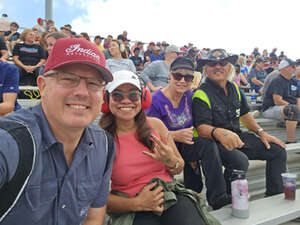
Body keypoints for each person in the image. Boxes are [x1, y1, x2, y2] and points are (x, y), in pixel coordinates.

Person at [0, 38, 115, 224]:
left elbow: (93, 218)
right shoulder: (9, 142)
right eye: (68, 79)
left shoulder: (104, 144)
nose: (82, 92)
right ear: (42, 86)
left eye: (94, 83)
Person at [99, 70, 219, 225]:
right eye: (117, 95)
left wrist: (169, 160)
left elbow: (178, 167)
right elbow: (95, 197)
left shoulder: (156, 125)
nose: (126, 101)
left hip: (170, 194)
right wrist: (138, 203)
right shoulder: (101, 139)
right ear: (107, 99)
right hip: (131, 205)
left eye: (133, 95)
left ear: (143, 98)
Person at [193, 49, 287, 198]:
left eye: (222, 63)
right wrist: (219, 132)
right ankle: (229, 202)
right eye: (212, 64)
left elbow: (244, 115)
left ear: (229, 67)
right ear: (206, 69)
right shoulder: (201, 93)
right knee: (239, 161)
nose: (218, 67)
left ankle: (274, 197)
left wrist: (261, 132)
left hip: (237, 137)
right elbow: (201, 128)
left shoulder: (235, 89)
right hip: (214, 142)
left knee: (278, 151)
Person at [146, 56, 232, 210]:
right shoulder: (155, 101)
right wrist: (173, 135)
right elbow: (147, 133)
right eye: (178, 76)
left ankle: (218, 198)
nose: (182, 81)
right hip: (164, 149)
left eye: (188, 77)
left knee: (208, 145)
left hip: (187, 145)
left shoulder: (190, 97)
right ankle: (192, 195)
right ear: (169, 76)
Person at [262, 59, 300, 144]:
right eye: (293, 66)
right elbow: (277, 101)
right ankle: (290, 141)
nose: (295, 68)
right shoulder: (277, 80)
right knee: (292, 110)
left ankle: (285, 123)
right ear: (285, 68)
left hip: (285, 108)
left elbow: (298, 98)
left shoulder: (293, 81)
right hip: (271, 108)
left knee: (295, 109)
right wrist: (297, 109)